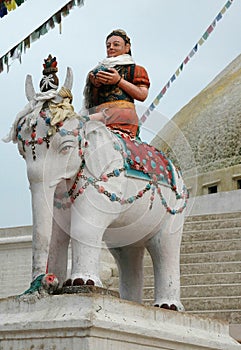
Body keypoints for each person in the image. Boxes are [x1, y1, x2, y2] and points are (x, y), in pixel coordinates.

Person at [82, 29, 150, 138]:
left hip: (122, 116)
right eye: (108, 46)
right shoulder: (100, 70)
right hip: (100, 117)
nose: (111, 48)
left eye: (116, 45)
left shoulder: (135, 69)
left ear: (127, 47)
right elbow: (93, 104)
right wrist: (95, 86)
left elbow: (142, 95)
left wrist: (119, 81)